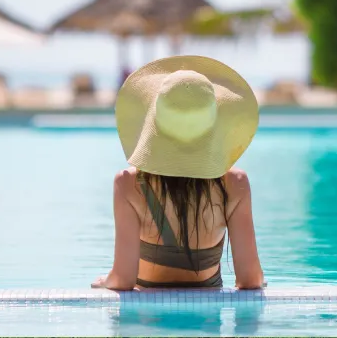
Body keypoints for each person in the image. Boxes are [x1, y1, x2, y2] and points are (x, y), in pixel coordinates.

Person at [91, 55, 265, 291]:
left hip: (146, 323)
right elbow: (251, 280)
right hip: (206, 324)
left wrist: (107, 280)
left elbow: (123, 280)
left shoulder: (129, 184)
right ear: (213, 122)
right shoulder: (234, 184)